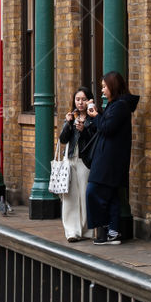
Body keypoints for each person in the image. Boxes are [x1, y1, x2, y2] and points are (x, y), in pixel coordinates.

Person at [85, 71, 140, 245]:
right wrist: (96, 116)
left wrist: (95, 116)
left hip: (110, 159)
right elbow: (104, 126)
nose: (102, 89)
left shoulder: (120, 106)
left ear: (112, 86)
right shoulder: (114, 104)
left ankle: (103, 228)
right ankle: (113, 232)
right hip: (109, 157)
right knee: (112, 195)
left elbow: (107, 127)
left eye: (104, 86)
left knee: (93, 191)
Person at [57, 86, 96, 241]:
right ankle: (72, 231)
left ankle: (86, 230)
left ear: (90, 100)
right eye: (78, 99)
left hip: (85, 161)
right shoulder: (71, 117)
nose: (80, 103)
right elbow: (63, 139)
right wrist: (68, 124)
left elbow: (95, 139)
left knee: (85, 195)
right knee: (69, 196)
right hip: (70, 159)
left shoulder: (94, 118)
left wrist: (84, 130)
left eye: (84, 99)